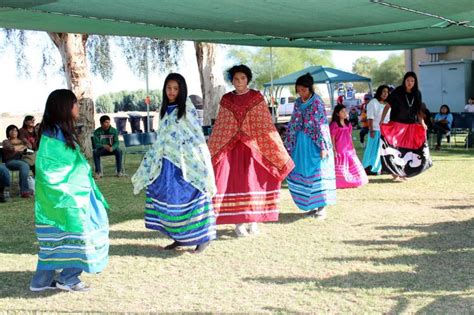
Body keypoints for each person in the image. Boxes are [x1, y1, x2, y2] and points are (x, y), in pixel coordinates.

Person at [30, 89, 109, 292]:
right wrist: (80, 181)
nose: (78, 107)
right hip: (68, 197)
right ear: (65, 107)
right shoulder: (55, 135)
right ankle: (69, 279)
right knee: (80, 232)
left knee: (54, 240)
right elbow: (57, 169)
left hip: (58, 198)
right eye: (75, 103)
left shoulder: (53, 132)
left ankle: (41, 281)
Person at [132, 73, 217, 252]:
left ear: (182, 90)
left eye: (175, 89)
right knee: (168, 199)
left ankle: (203, 238)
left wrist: (197, 160)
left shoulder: (187, 108)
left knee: (191, 197)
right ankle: (179, 237)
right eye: (169, 88)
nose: (171, 92)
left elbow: (194, 135)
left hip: (185, 163)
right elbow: (162, 136)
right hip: (166, 163)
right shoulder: (163, 110)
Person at [208, 65, 294, 237]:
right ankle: (238, 223)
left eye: (242, 78)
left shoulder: (256, 97)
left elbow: (264, 124)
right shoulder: (226, 99)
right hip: (232, 151)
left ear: (248, 79)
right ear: (231, 80)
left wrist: (248, 133)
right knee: (235, 183)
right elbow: (222, 126)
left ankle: (253, 221)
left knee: (252, 182)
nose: (239, 82)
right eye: (236, 79)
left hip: (254, 149)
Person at [285, 73, 336, 218]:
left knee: (319, 172)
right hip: (300, 144)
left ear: (310, 89)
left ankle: (322, 207)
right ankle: (311, 205)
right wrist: (289, 144)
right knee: (304, 173)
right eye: (299, 90)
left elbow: (321, 126)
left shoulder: (317, 102)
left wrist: (323, 147)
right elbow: (293, 123)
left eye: (304, 90)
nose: (301, 93)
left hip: (315, 144)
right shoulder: (298, 103)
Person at [380, 72, 432, 181]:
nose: (410, 83)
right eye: (408, 80)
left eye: (412, 81)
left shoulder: (417, 93)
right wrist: (381, 120)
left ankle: (404, 173)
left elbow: (418, 110)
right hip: (397, 125)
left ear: (415, 82)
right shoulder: (398, 91)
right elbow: (387, 106)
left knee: (408, 151)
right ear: (404, 81)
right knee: (394, 148)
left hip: (411, 126)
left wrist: (422, 122)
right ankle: (394, 172)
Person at [330, 104, 368, 189]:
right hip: (340, 149)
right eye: (342, 111)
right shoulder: (334, 124)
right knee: (341, 168)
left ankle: (355, 181)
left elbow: (349, 136)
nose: (345, 113)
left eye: (345, 111)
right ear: (337, 114)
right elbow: (332, 137)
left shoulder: (348, 124)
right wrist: (334, 149)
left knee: (353, 164)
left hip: (348, 149)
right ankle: (342, 183)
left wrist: (353, 147)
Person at [362, 85, 390, 175]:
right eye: (384, 91)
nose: (385, 94)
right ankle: (369, 167)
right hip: (375, 130)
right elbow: (370, 117)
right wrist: (371, 130)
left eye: (387, 92)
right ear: (379, 92)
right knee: (372, 149)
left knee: (382, 151)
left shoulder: (388, 104)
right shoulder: (373, 102)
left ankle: (380, 168)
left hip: (385, 131)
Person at [2, 125, 34, 198]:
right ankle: (24, 191)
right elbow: (12, 149)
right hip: (10, 161)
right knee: (24, 165)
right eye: (12, 130)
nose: (14, 132)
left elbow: (30, 147)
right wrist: (23, 147)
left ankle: (36, 187)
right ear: (8, 132)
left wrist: (22, 146)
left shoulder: (22, 140)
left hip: (23, 160)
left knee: (30, 164)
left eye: (16, 130)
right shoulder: (6, 141)